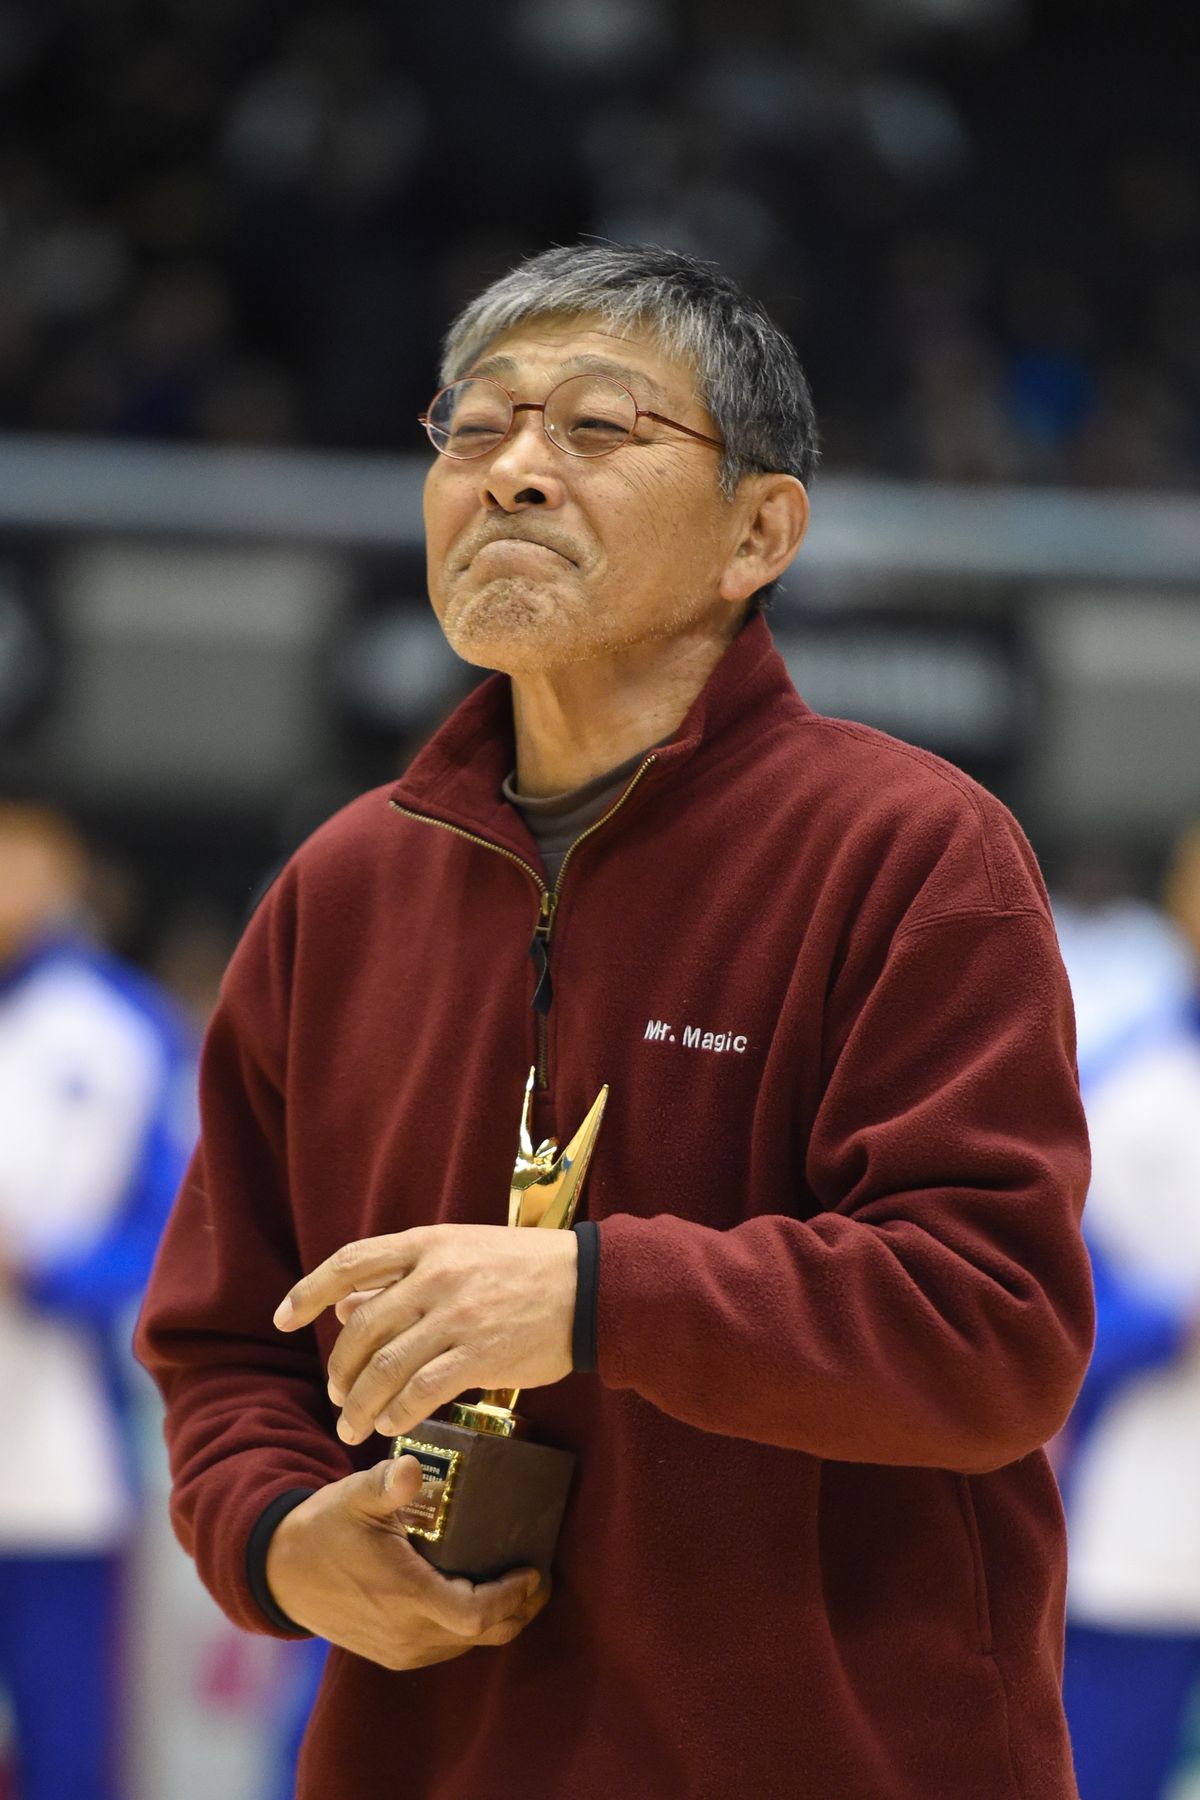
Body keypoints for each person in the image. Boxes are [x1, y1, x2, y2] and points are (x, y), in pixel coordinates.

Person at [135, 243, 1094, 1799]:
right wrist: (278, 1536)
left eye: (595, 429)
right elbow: (229, 1340)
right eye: (473, 428)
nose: (513, 472)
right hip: (436, 1757)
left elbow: (991, 1330)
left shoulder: (913, 853)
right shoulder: (341, 888)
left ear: (757, 531)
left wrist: (592, 1295)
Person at [0, 800, 194, 1800]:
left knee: (69, 1735)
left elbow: (179, 1238)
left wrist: (41, 1270)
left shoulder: (122, 1029)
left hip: (60, 1456)